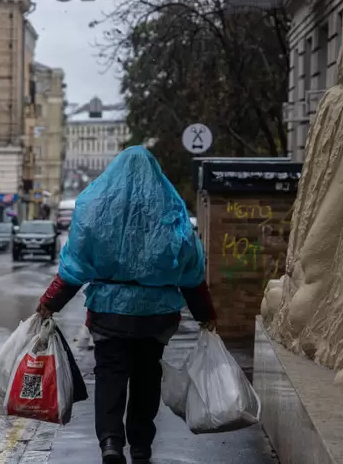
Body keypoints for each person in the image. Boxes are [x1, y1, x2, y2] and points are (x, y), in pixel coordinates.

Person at [34, 145, 217, 464]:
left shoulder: (98, 209)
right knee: (147, 378)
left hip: (109, 313)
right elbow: (190, 266)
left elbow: (76, 264)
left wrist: (50, 302)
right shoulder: (168, 210)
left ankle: (110, 442)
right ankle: (141, 447)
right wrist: (205, 314)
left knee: (110, 377)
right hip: (156, 317)